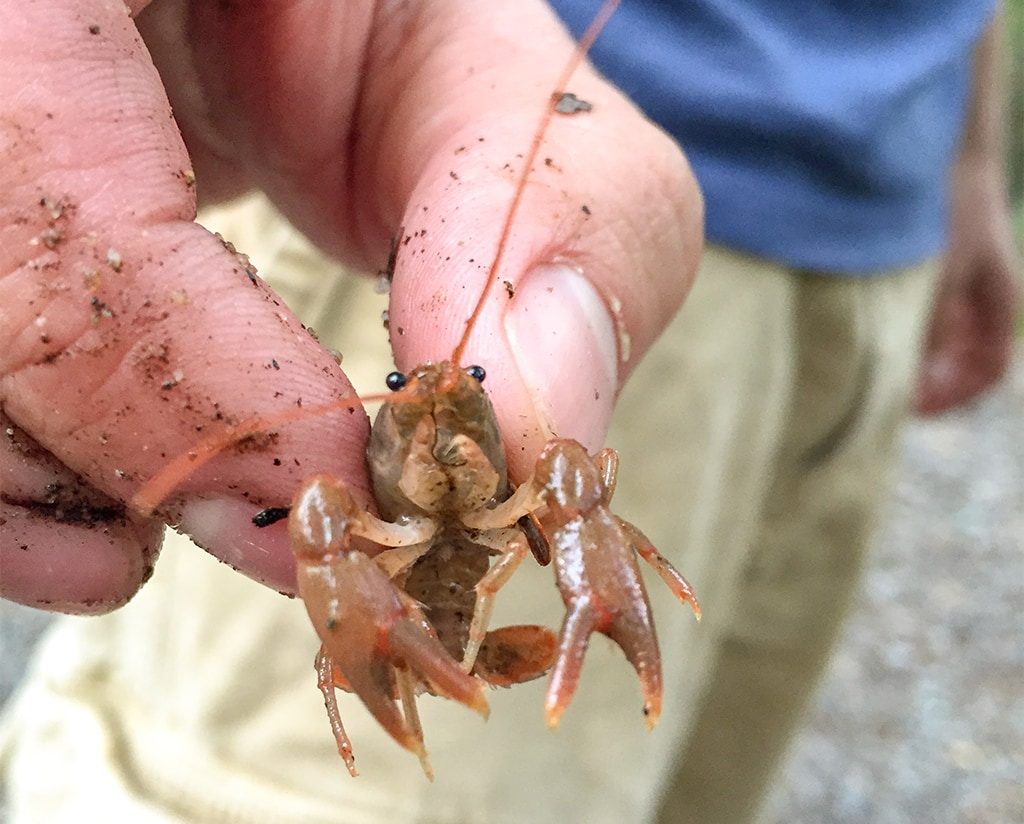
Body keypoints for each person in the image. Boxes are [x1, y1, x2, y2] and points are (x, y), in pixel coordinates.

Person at [0, 1, 1018, 823]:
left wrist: (967, 162)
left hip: (882, 202)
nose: (442, 417)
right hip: (442, 138)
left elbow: (568, 485)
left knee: (691, 762)